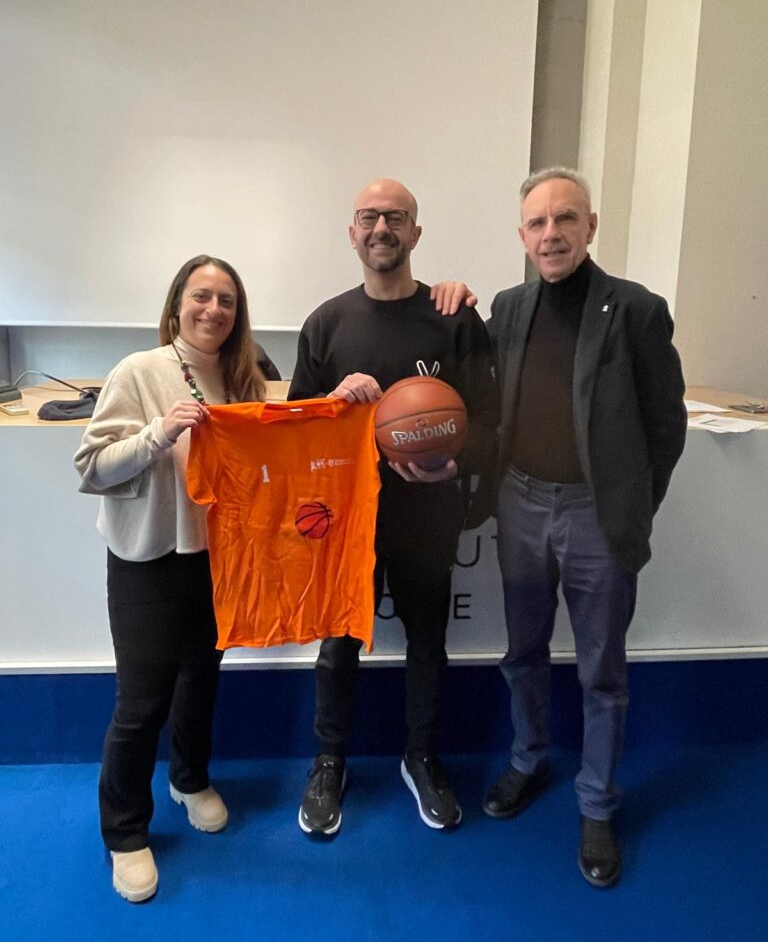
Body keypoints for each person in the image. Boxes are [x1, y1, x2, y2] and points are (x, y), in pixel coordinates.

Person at [482, 168, 687, 887]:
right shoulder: (507, 309)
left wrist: (632, 505)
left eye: (565, 219)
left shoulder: (636, 310)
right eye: (538, 223)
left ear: (590, 227)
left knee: (602, 670)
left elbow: (665, 424)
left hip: (596, 513)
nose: (552, 234)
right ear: (522, 236)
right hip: (518, 502)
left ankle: (597, 802)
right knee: (522, 651)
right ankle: (528, 759)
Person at [289, 178, 497, 835]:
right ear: (353, 233)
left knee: (428, 642)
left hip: (427, 512)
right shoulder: (325, 323)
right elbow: (299, 430)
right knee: (338, 645)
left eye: (397, 217)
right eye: (370, 217)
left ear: (416, 233)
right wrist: (333, 404)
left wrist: (454, 463)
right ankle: (329, 761)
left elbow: (491, 420)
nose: (382, 228)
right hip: (349, 517)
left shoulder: (453, 317)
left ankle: (422, 757)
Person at [74, 255, 271, 903]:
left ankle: (189, 779)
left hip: (215, 559)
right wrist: (159, 433)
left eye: (227, 301)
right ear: (177, 304)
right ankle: (125, 831)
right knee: (141, 703)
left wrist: (347, 399)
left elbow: (283, 440)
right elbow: (92, 466)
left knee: (201, 677)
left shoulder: (245, 378)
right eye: (202, 296)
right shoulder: (139, 370)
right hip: (147, 559)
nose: (214, 310)